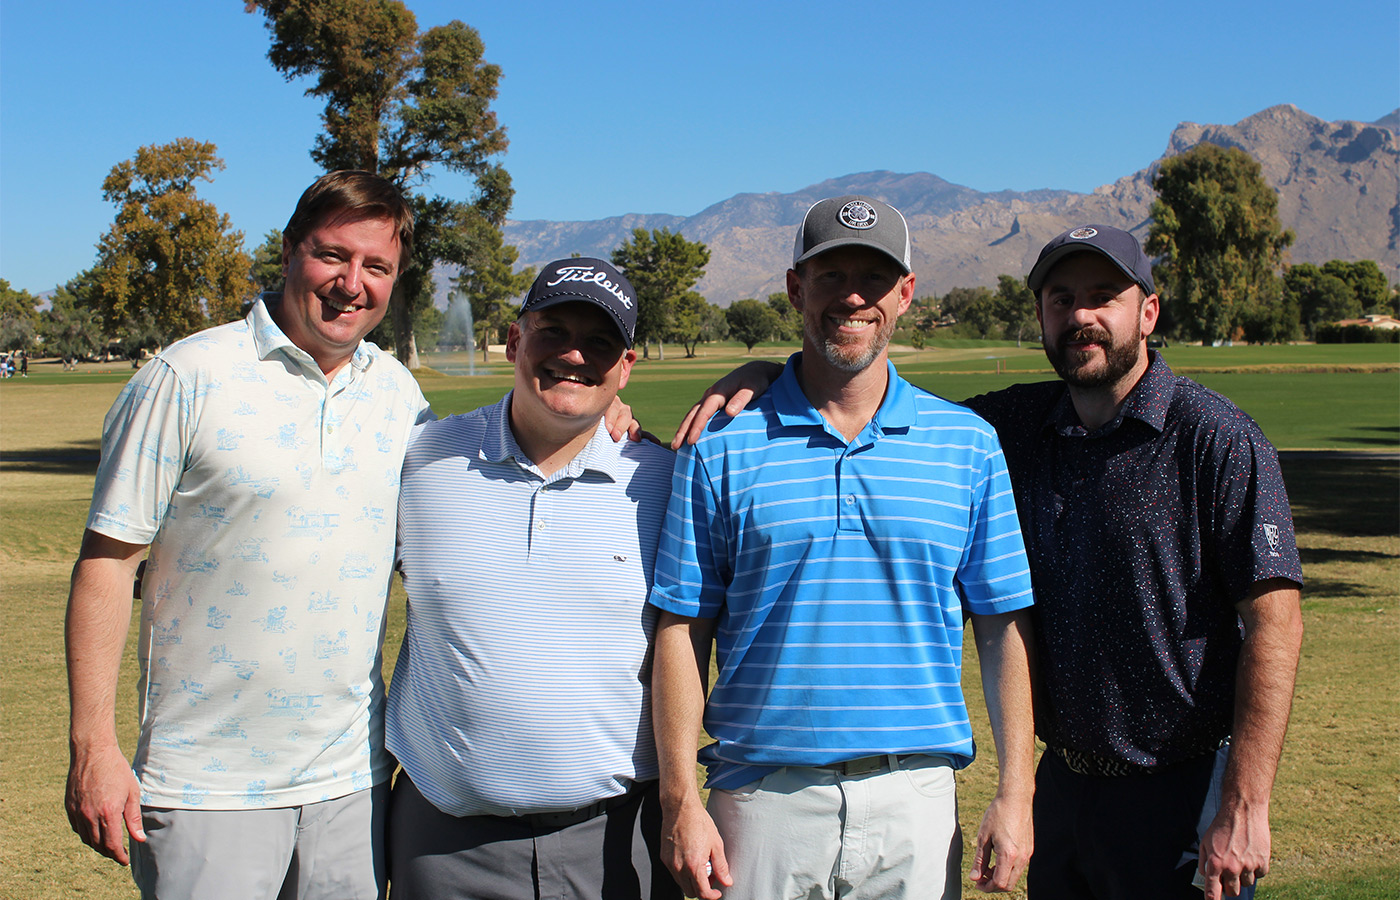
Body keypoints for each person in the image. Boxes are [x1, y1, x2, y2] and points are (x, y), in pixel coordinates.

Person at [679, 224, 1305, 900]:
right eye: (1061, 300)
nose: (1081, 317)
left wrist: (1246, 801)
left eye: (1103, 297)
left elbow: (1275, 624)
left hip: (1180, 788)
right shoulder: (1017, 425)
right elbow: (861, 393)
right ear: (1040, 315)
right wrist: (770, 378)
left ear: (1148, 312)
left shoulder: (1214, 437)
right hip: (1065, 787)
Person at [649, 195, 1038, 900]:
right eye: (830, 276)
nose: (853, 296)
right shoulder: (722, 446)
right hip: (761, 804)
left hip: (913, 801)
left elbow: (1002, 628)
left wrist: (1018, 794)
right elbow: (681, 627)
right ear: (796, 288)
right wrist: (681, 798)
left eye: (875, 278)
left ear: (907, 294)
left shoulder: (969, 446)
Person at [65, 170, 430, 900]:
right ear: (291, 251)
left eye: (376, 266)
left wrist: (604, 415)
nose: (351, 283)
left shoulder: (398, 395)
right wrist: (93, 748)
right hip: (205, 787)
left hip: (352, 785)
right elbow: (107, 563)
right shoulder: (186, 376)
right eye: (332, 256)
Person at [384, 257, 680, 899]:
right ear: (515, 340)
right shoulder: (423, 459)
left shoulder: (666, 481)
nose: (574, 355)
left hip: (616, 840)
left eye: (600, 341)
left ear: (625, 367)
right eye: (553, 331)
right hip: (442, 843)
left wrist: (758, 370)